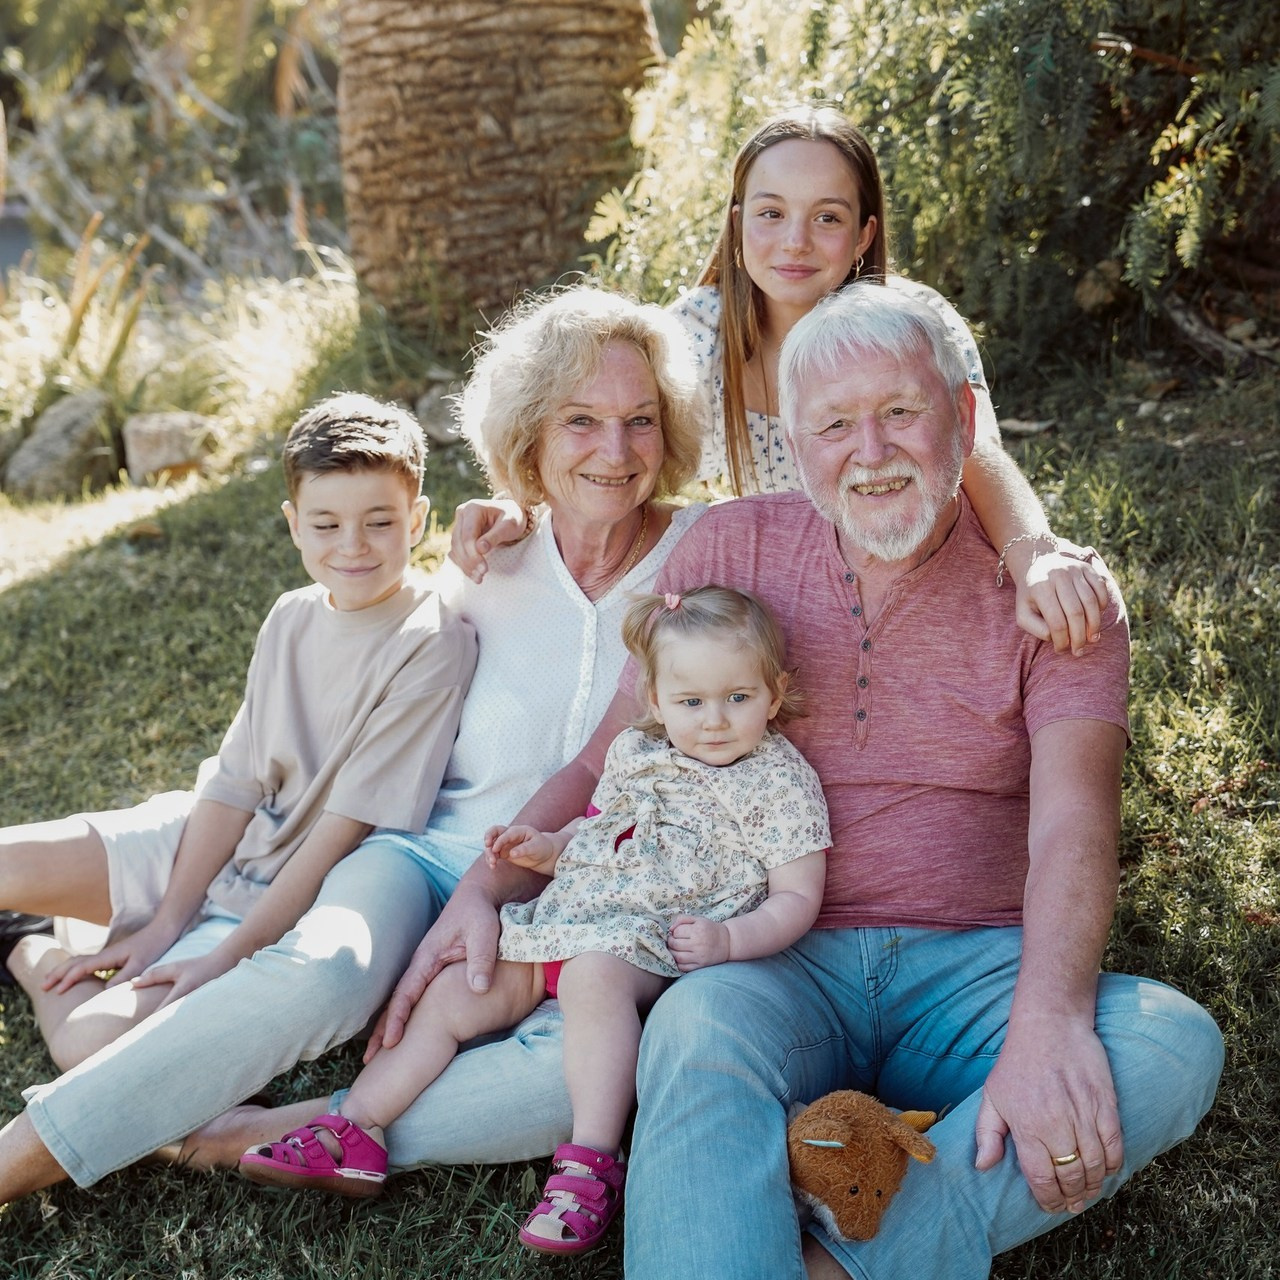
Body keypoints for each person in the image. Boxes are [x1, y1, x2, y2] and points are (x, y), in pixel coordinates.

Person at [503, 282, 1225, 1278]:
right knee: (694, 1028)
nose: (870, 450)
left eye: (899, 411)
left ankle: (839, 1265)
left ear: (962, 417)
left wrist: (1049, 1020)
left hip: (976, 968)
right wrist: (480, 893)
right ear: (795, 445)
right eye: (835, 424)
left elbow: (1075, 822)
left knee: (1171, 1043)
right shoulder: (732, 548)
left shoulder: (1056, 595)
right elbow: (603, 759)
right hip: (775, 954)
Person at [0, 283, 709, 1204]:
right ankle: (23, 1155)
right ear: (531, 430)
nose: (615, 451)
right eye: (580, 420)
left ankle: (262, 1134)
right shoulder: (486, 557)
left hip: (586, 895)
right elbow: (376, 652)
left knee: (564, 1086)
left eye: (641, 420)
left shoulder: (709, 553)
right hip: (421, 857)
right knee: (325, 973)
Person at [238, 586, 829, 1258]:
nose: (714, 720)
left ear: (774, 695)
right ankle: (357, 1128)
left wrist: (729, 940)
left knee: (592, 981)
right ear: (657, 699)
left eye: (738, 698)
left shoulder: (777, 780)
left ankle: (592, 1163)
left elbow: (797, 896)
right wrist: (547, 849)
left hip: (648, 941)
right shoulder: (638, 750)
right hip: (562, 918)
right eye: (691, 702)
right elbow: (601, 829)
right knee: (457, 993)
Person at [450, 105, 1110, 659]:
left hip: (909, 572)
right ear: (737, 222)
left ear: (864, 235)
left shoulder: (914, 324)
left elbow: (978, 454)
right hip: (776, 599)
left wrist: (1035, 554)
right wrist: (522, 506)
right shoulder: (696, 336)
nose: (795, 241)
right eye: (771, 213)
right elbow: (613, 446)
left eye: (827, 217)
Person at [0, 393, 476, 1076]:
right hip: (206, 844)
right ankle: (79, 925)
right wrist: (167, 922)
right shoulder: (291, 615)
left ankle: (27, 943)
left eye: (380, 522)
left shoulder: (431, 644)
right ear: (294, 525)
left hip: (285, 895)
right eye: (326, 524)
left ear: (419, 520)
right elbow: (234, 784)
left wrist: (225, 955)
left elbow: (341, 833)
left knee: (85, 1045)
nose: (352, 545)